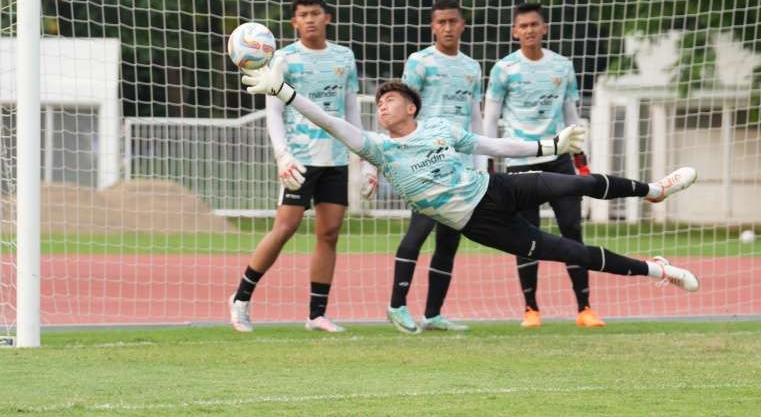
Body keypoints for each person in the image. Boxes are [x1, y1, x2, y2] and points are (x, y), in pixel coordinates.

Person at [239, 66, 701, 315]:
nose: (381, 105)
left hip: (498, 188)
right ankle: (655, 271)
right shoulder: (378, 148)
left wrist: (548, 145)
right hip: (479, 223)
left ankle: (653, 189)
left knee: (576, 182)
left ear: (411, 106)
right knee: (571, 253)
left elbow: (492, 143)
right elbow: (332, 122)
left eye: (389, 99)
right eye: (378, 102)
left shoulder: (440, 127)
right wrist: (283, 91)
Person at [228, 0, 376, 333]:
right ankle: (240, 299)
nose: (309, 19)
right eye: (303, 15)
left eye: (315, 13)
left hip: (336, 158)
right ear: (294, 23)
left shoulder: (344, 57)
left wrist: (367, 161)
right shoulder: (282, 58)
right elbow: (274, 112)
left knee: (329, 233)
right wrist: (283, 155)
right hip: (298, 160)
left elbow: (351, 109)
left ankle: (316, 314)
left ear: (328, 17)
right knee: (285, 228)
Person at [484, 1, 599, 329]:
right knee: (525, 235)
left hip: (559, 162)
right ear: (514, 32)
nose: (530, 31)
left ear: (544, 28)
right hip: (520, 163)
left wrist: (581, 161)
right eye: (523, 26)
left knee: (572, 230)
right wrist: (490, 165)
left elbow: (571, 115)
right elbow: (491, 119)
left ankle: (585, 307)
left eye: (535, 25)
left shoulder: (562, 66)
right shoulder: (503, 69)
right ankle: (531, 309)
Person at [387, 0, 484, 334]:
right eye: (441, 22)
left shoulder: (472, 67)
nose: (447, 28)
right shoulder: (419, 62)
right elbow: (402, 109)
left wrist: (480, 161)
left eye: (452, 21)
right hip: (425, 162)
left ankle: (432, 313)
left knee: (449, 239)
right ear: (433, 26)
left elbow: (475, 115)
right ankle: (397, 306)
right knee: (419, 229)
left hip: (460, 165)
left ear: (463, 24)